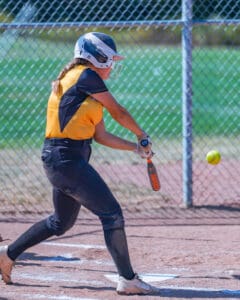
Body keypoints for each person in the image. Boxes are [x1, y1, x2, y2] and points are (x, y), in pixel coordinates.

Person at [0, 32, 159, 295]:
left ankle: (8, 254)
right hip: (66, 159)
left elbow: (101, 135)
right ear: (94, 57)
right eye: (108, 60)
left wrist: (135, 148)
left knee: (61, 223)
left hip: (65, 160)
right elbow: (118, 111)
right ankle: (128, 279)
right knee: (112, 214)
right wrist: (141, 134)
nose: (111, 66)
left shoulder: (84, 85)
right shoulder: (86, 76)